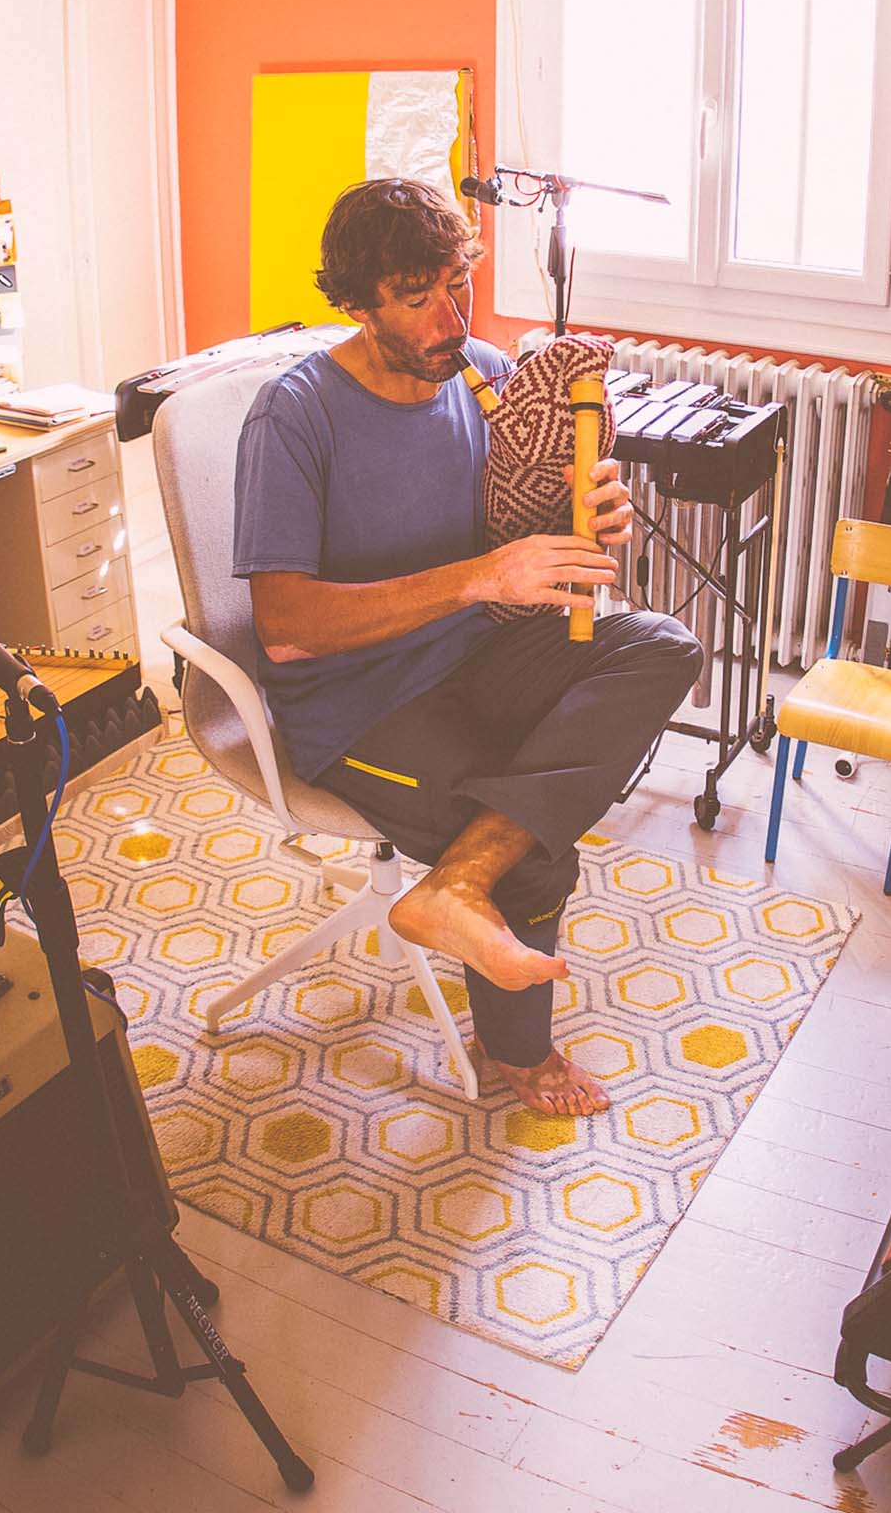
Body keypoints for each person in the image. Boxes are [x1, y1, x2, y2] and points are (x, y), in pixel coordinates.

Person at [232, 177, 702, 1118]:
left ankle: (453, 886)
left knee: (662, 645)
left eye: (459, 283)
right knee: (531, 842)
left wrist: (592, 523)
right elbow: (284, 626)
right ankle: (519, 1054)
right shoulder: (296, 415)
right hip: (357, 704)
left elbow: (525, 534)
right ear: (359, 304)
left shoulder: (484, 375)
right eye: (418, 297)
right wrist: (482, 577)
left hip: (476, 654)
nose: (452, 319)